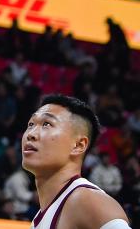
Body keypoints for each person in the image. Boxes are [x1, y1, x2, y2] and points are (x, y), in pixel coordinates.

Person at [22, 94, 130, 229]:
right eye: (31, 124)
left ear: (78, 145)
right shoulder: (40, 218)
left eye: (47, 124)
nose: (31, 134)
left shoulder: (86, 200)